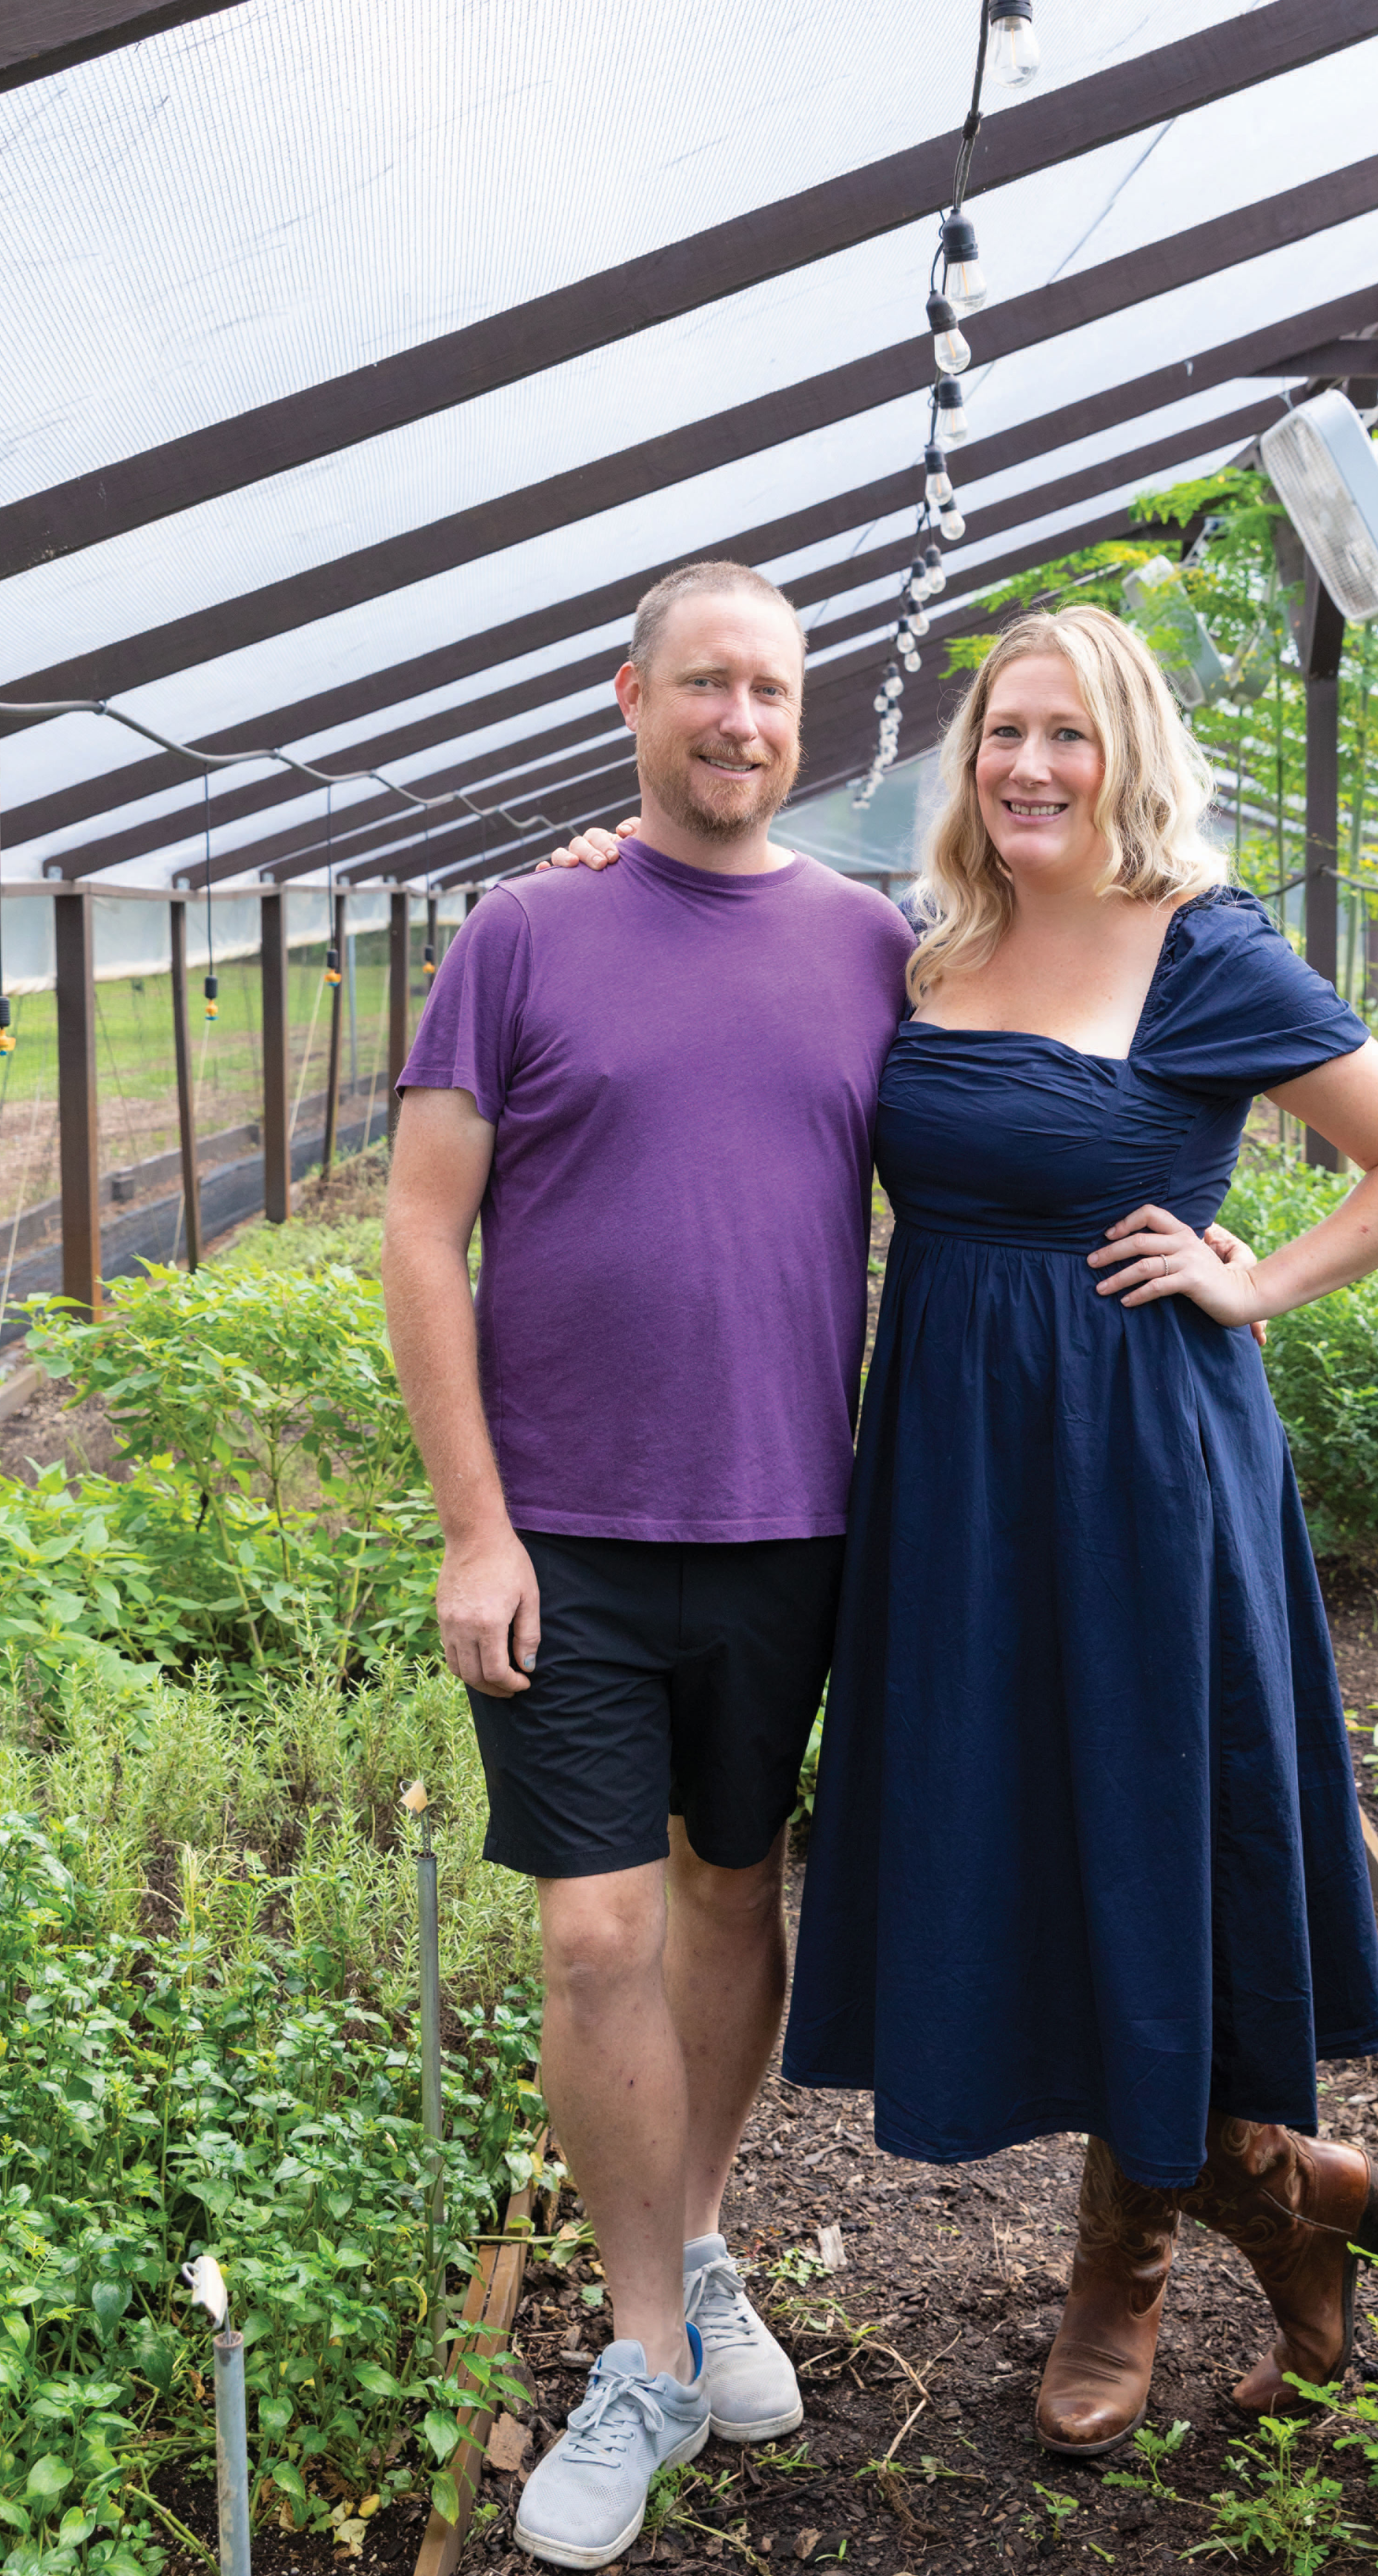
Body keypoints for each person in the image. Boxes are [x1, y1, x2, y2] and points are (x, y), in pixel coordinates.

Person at [774, 605, 1378, 2457]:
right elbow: (739, 919)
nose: (1026, 767)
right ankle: (1283, 2189)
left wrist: (1258, 1290)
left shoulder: (1202, 951)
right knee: (1022, 1825)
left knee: (1145, 1829)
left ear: (1132, 754)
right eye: (1002, 732)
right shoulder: (922, 946)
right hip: (956, 1470)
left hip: (1138, 1463)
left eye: (1066, 737)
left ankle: (1127, 2266)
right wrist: (618, 843)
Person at [381, 561, 916, 2570]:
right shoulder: (524, 934)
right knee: (597, 1936)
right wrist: (475, 1524)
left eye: (772, 690)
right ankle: (635, 2353)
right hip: (572, 1540)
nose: (743, 722)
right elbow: (424, 1231)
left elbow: (1034, 1091)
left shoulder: (871, 947)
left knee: (728, 1893)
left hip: (791, 1523)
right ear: (629, 698)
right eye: (707, 684)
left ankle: (696, 2252)